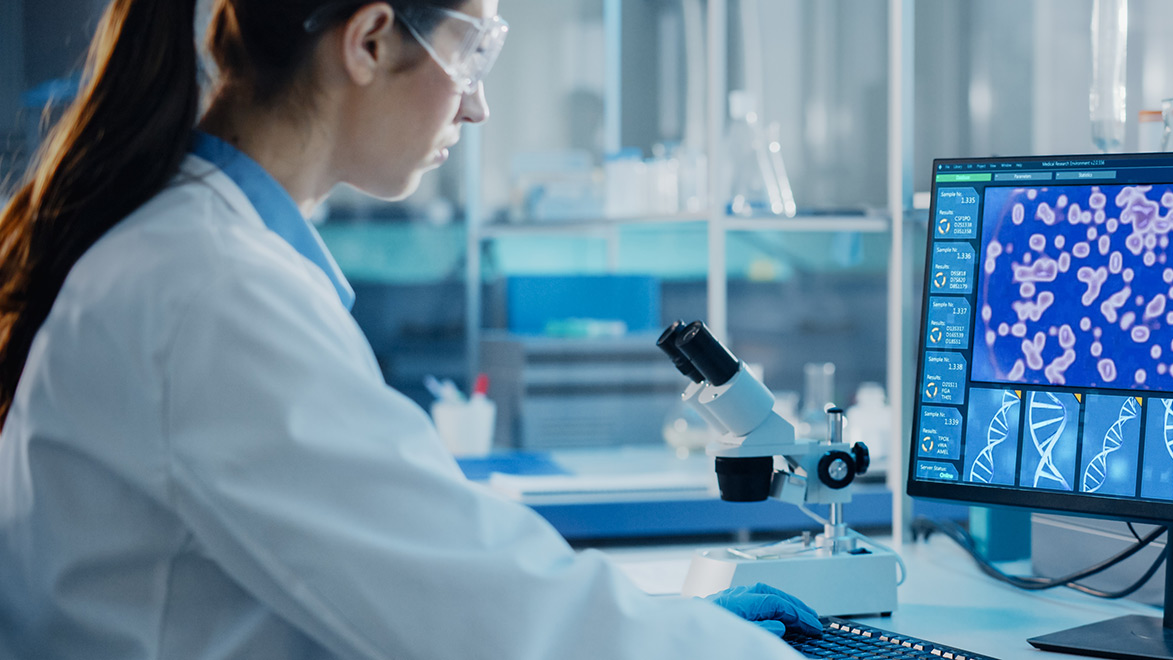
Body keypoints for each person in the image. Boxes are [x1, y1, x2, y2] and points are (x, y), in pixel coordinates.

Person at [0, 1, 820, 658]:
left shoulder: (198, 257)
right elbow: (484, 616)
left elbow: (437, 584)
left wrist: (684, 628)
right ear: (369, 41)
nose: (478, 105)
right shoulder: (210, 290)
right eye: (474, 52)